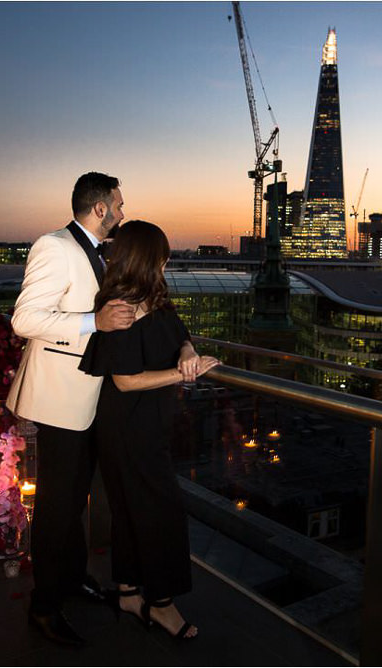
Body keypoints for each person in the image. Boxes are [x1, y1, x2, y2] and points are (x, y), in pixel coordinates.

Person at [6, 172, 135, 647]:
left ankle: (73, 578)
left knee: (75, 497)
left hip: (86, 399)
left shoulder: (101, 253)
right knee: (57, 509)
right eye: (118, 205)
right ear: (99, 208)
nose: (122, 212)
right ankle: (43, 607)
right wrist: (92, 321)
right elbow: (25, 320)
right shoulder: (55, 246)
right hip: (59, 400)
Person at [79, 220, 219, 642]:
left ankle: (127, 593)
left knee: (131, 510)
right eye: (162, 252)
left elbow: (180, 337)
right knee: (162, 514)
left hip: (146, 423)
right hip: (127, 426)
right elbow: (125, 380)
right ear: (147, 257)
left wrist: (189, 352)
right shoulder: (122, 306)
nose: (168, 258)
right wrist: (180, 375)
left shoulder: (155, 297)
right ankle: (161, 605)